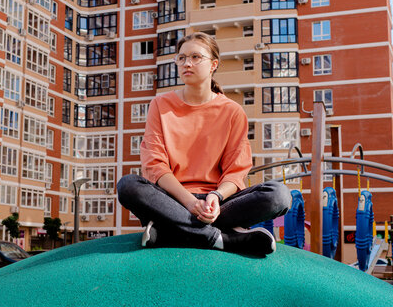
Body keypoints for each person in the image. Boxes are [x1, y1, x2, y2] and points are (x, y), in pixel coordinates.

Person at [117, 32, 291, 256]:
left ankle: (171, 230)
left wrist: (215, 198)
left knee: (279, 195)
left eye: (195, 57)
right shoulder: (160, 105)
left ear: (213, 65)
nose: (186, 63)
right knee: (128, 186)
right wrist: (189, 203)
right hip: (173, 199)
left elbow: (236, 172)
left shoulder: (232, 112)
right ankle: (222, 238)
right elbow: (155, 166)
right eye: (181, 58)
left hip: (218, 204)